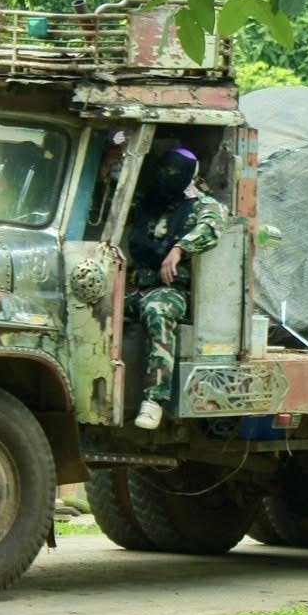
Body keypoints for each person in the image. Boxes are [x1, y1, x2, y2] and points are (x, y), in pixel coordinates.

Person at [125, 147, 226, 430]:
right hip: (138, 285)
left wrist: (180, 248)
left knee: (157, 310)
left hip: (173, 291)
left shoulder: (204, 205)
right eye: (162, 170)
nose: (164, 176)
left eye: (172, 172)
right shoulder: (150, 203)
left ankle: (154, 399)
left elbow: (212, 227)